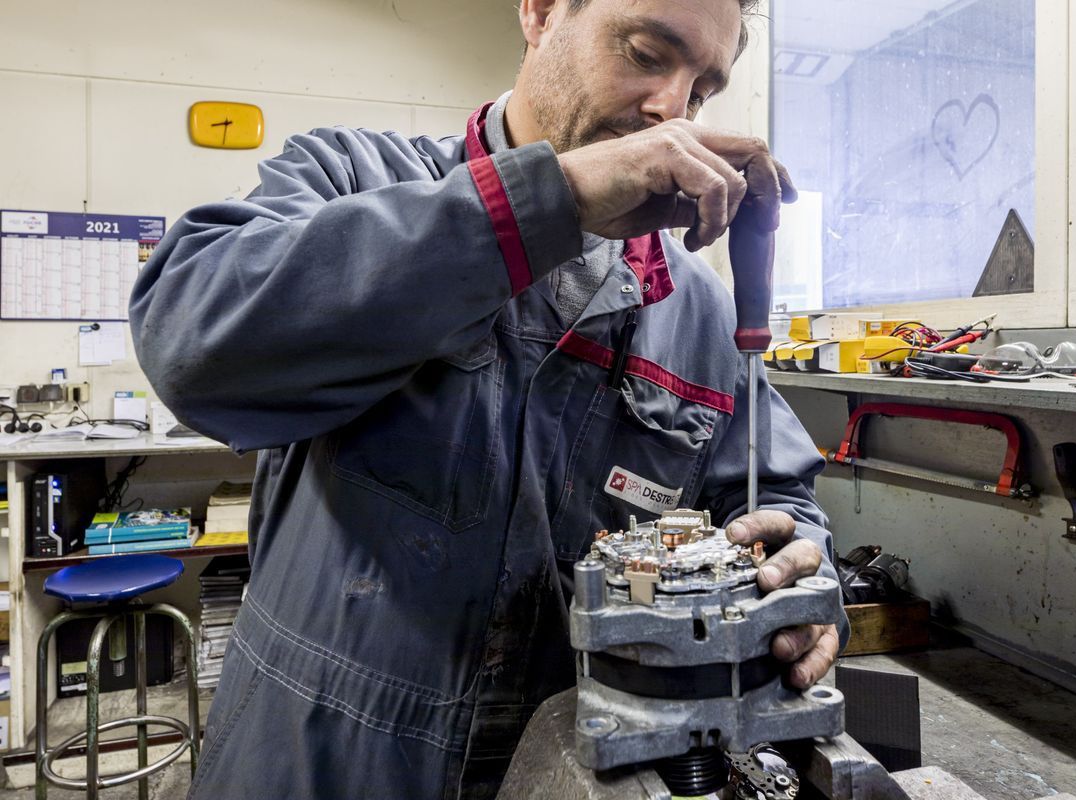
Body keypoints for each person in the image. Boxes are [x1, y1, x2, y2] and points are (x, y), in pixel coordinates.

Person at [130, 0, 848, 797]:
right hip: (319, 763)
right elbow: (192, 350)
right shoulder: (350, 179)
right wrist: (556, 200)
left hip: (572, 766)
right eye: (646, 53)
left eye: (704, 90)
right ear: (539, 12)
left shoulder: (695, 310)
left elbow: (774, 490)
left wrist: (803, 580)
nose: (672, 109)